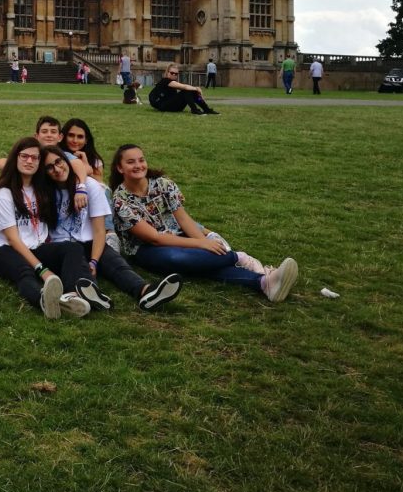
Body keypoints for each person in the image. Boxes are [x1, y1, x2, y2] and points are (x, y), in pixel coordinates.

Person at [110, 144, 299, 302]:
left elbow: (183, 218)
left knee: (198, 264)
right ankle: (239, 258)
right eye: (130, 161)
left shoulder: (163, 184)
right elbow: (155, 238)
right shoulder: (120, 200)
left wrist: (205, 245)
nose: (138, 165)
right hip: (146, 249)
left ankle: (264, 283)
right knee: (178, 260)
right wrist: (200, 243)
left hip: (178, 235)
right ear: (120, 168)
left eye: (141, 160)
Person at [42, 147, 181, 311]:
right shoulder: (42, 191)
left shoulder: (90, 186)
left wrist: (94, 261)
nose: (57, 169)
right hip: (62, 248)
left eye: (59, 162)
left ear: (68, 162)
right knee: (75, 258)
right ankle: (90, 294)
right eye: (49, 167)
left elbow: (100, 230)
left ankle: (146, 292)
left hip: (90, 242)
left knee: (115, 262)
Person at [0, 137, 105, 319]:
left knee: (72, 248)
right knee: (25, 271)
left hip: (34, 246)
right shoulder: (4, 193)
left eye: (35, 158)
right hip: (2, 249)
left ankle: (73, 295)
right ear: (15, 158)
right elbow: (13, 239)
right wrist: (42, 270)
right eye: (24, 156)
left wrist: (80, 187)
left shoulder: (42, 189)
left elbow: (78, 165)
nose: (29, 161)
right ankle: (42, 300)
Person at [148, 64, 219, 115]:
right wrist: (197, 88)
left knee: (191, 92)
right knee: (187, 91)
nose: (174, 75)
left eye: (176, 74)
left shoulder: (172, 82)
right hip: (163, 106)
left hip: (172, 106)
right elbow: (184, 87)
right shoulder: (165, 81)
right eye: (172, 73)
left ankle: (206, 109)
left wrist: (196, 92)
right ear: (167, 72)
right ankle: (195, 110)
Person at [60, 118, 105, 183]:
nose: (75, 140)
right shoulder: (57, 156)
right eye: (71, 135)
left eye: (80, 137)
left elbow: (100, 184)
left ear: (86, 140)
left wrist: (86, 165)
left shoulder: (95, 162)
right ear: (63, 137)